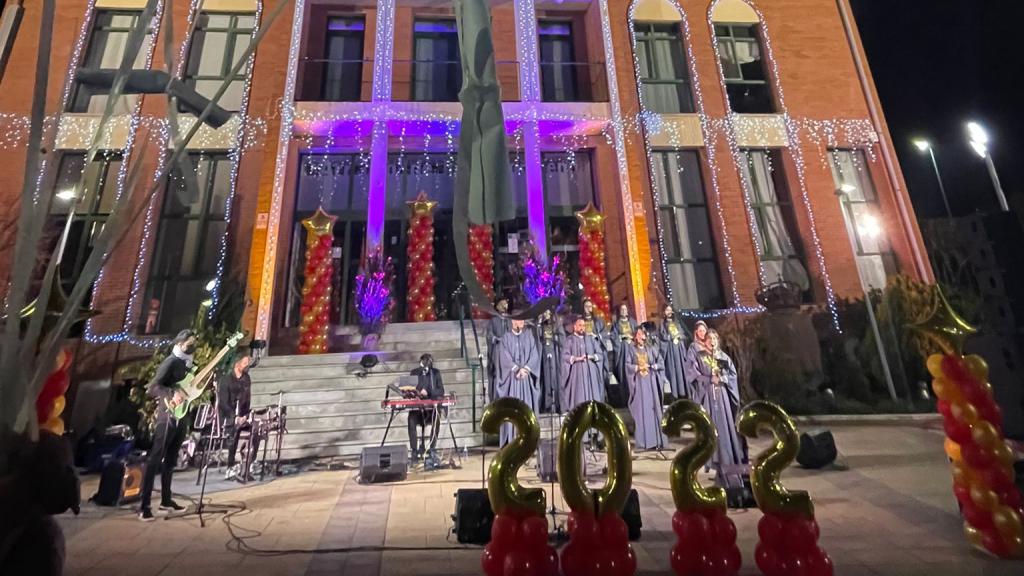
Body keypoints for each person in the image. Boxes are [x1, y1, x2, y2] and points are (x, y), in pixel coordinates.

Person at [139, 330, 196, 521]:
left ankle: (166, 500)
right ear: (180, 344)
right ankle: (144, 506)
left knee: (171, 460)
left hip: (182, 416)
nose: (192, 346)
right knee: (156, 458)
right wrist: (172, 393)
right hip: (168, 415)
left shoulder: (187, 364)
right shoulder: (171, 361)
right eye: (189, 343)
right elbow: (153, 387)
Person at [687, 327, 746, 490]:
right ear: (704, 342)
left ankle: (727, 462)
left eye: (714, 339)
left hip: (723, 400)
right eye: (709, 340)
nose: (712, 342)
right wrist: (708, 379)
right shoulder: (700, 357)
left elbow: (732, 375)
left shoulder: (723, 357)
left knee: (725, 430)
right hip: (708, 398)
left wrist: (722, 378)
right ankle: (714, 461)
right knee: (711, 430)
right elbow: (693, 375)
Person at [495, 319, 540, 446]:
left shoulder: (529, 337)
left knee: (526, 407)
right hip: (512, 380)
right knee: (512, 408)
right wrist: (515, 368)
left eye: (520, 321)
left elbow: (534, 355)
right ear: (511, 322)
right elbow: (504, 356)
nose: (518, 324)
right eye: (515, 321)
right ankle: (512, 440)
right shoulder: (506, 338)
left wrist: (526, 369)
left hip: (525, 379)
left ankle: (528, 438)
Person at [626, 323, 667, 451]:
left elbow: (660, 362)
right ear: (635, 337)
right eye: (638, 334)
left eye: (642, 334)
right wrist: (637, 367)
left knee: (653, 409)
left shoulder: (651, 349)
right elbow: (627, 365)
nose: (641, 336)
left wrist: (653, 367)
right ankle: (643, 443)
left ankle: (657, 441)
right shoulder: (631, 350)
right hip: (639, 383)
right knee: (642, 411)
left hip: (651, 383)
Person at [217, 354, 256, 480]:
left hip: (242, 414)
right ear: (237, 363)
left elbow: (247, 399)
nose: (246, 366)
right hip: (228, 415)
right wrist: (234, 416)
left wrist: (244, 415)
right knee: (234, 432)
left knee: (257, 430)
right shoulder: (225, 380)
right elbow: (223, 402)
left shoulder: (246, 379)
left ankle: (250, 463)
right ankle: (230, 466)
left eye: (247, 363)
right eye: (244, 363)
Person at [560, 314, 606, 412]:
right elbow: (565, 356)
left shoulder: (590, 339)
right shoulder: (570, 340)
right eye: (580, 325)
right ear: (575, 327)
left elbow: (600, 354)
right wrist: (576, 359)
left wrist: (592, 357)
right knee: (579, 401)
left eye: (584, 326)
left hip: (590, 375)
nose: (582, 328)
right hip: (577, 376)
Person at [408, 353, 445, 462]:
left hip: (431, 411)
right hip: (418, 410)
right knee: (411, 420)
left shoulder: (435, 373)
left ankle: (432, 448)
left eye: (428, 362)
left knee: (437, 417)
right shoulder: (414, 373)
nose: (425, 364)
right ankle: (414, 450)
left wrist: (428, 392)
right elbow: (408, 390)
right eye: (423, 362)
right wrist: (415, 393)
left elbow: (441, 391)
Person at [658, 304, 691, 399]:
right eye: (667, 310)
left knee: (682, 369)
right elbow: (661, 337)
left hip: (679, 350)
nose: (669, 312)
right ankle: (675, 394)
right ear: (664, 312)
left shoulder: (677, 322)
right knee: (673, 371)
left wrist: (680, 336)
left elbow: (683, 334)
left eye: (670, 310)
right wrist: (670, 338)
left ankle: (684, 392)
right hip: (671, 350)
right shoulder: (662, 324)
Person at [535, 309, 563, 414]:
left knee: (554, 379)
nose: (546, 315)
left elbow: (562, 338)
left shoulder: (556, 325)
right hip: (543, 355)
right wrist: (539, 323)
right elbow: (537, 338)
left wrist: (554, 338)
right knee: (545, 379)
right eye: (544, 312)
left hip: (554, 355)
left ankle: (555, 404)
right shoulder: (540, 326)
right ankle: (546, 404)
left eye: (548, 313)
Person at [609, 303, 637, 406]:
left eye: (625, 309)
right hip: (622, 351)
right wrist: (621, 338)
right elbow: (613, 337)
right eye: (622, 309)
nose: (624, 311)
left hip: (633, 349)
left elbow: (637, 334)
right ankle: (625, 400)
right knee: (624, 373)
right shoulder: (616, 324)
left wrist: (632, 338)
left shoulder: (633, 323)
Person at [486, 298, 511, 401]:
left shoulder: (510, 320)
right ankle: (496, 397)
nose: (504, 306)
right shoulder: (493, 320)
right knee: (497, 373)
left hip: (509, 351)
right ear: (497, 307)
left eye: (506, 304)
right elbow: (489, 334)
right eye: (502, 304)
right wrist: (496, 339)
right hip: (497, 350)